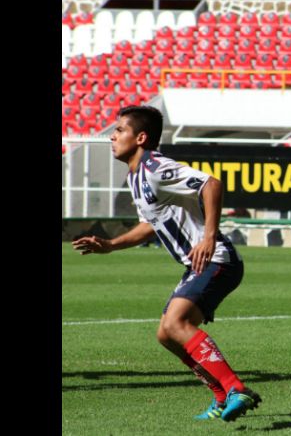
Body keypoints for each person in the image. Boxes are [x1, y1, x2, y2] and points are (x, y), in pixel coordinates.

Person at [71, 106, 261, 421]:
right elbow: (151, 224)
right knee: (165, 334)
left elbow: (211, 184)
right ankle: (220, 395)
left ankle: (235, 388)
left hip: (217, 258)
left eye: (119, 130)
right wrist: (111, 245)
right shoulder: (136, 177)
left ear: (141, 137)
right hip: (199, 263)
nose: (113, 137)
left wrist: (209, 236)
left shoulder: (155, 167)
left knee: (176, 324)